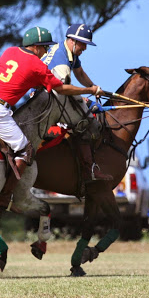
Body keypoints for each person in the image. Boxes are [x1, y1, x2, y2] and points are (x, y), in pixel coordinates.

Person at [0, 26, 105, 204]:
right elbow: (60, 89)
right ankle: (4, 197)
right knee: (25, 150)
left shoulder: (9, 51)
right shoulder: (38, 64)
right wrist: (89, 90)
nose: (46, 51)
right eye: (44, 47)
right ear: (35, 46)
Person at [41, 23, 112, 181]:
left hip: (51, 94)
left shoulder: (67, 50)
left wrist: (94, 87)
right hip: (47, 99)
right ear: (72, 41)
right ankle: (89, 171)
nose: (85, 48)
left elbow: (79, 73)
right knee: (84, 123)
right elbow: (63, 90)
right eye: (83, 44)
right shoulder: (61, 61)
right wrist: (88, 95)